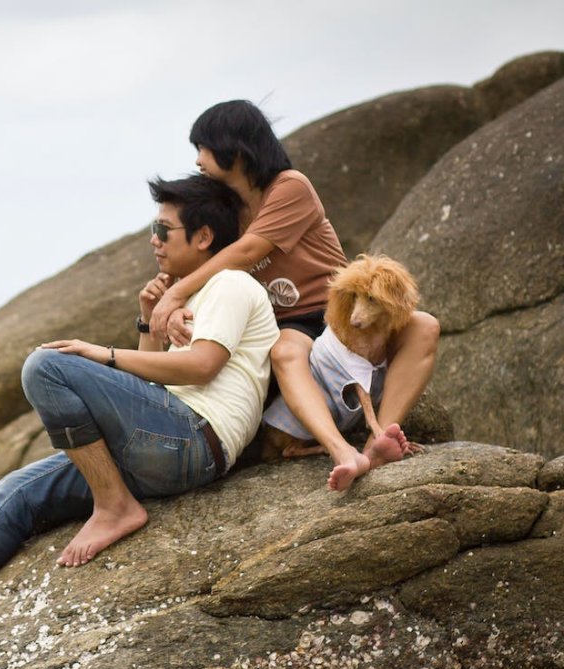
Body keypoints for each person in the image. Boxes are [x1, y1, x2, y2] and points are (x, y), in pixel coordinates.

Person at [0, 174, 280, 650]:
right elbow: (151, 384)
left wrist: (102, 354)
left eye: (162, 231)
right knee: (17, 491)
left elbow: (202, 366)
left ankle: (113, 507)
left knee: (46, 366)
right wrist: (145, 318)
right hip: (161, 442)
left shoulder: (231, 284)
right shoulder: (183, 297)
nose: (152, 241)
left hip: (195, 439)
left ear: (204, 236)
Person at [148, 100, 440, 491]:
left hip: (334, 312)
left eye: (204, 147)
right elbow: (203, 256)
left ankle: (379, 440)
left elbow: (251, 250)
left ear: (234, 148)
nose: (198, 159)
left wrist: (177, 293)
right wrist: (167, 297)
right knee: (285, 350)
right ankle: (342, 451)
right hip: (284, 325)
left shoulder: (289, 186)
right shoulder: (225, 209)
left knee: (423, 325)